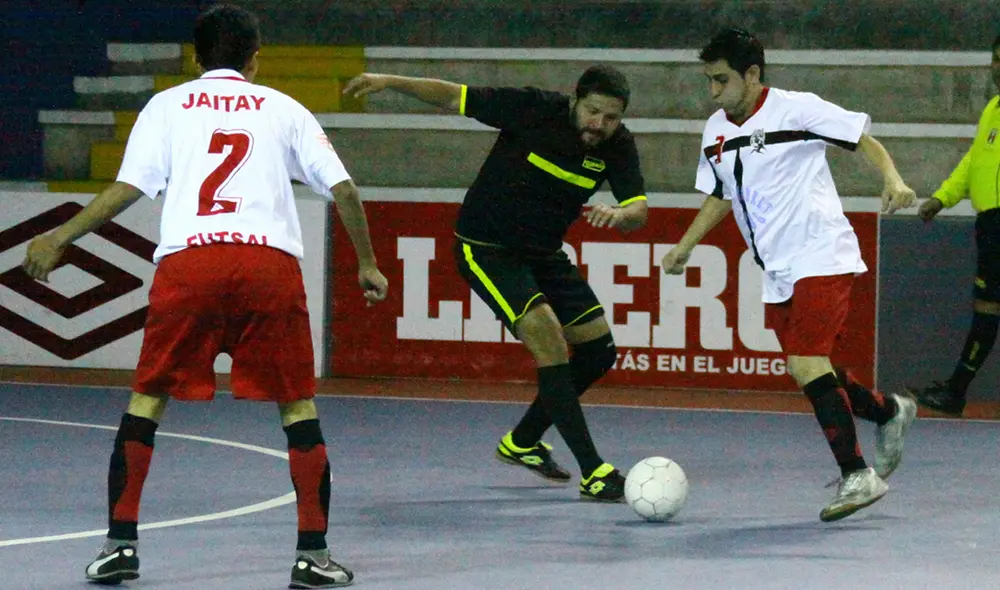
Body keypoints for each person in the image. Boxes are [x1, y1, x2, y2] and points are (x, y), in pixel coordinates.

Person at [21, 5, 387, 588]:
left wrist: (61, 236)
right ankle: (312, 556)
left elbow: (130, 187)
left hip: (190, 265)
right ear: (255, 58)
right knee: (297, 407)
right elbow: (344, 189)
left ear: (196, 58)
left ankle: (120, 546)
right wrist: (367, 262)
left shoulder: (167, 106)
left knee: (147, 400)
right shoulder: (285, 109)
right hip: (267, 267)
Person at [343, 65, 649, 501]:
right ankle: (593, 472)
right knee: (549, 339)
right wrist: (390, 82)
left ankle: (522, 441)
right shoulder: (533, 109)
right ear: (575, 100)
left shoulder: (617, 145)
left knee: (599, 351)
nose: (599, 124)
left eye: (611, 117)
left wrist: (621, 215)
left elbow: (638, 210)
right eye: (593, 111)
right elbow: (453, 96)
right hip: (486, 247)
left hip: (543, 254)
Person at [660, 28, 918, 522]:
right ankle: (888, 411)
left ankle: (857, 474)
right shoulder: (715, 130)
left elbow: (863, 140)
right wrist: (685, 246)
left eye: (721, 80)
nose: (713, 91)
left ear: (752, 74)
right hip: (776, 268)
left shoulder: (797, 109)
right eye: (709, 80)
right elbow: (721, 194)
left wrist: (893, 178)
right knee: (815, 369)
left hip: (821, 252)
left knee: (805, 362)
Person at [904, 36, 1000, 417]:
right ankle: (956, 391)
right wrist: (943, 197)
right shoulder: (993, 108)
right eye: (995, 59)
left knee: (988, 306)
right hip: (991, 223)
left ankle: (956, 391)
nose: (998, 67)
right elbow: (973, 161)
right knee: (987, 307)